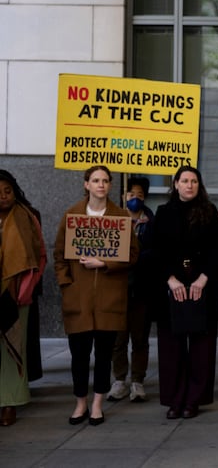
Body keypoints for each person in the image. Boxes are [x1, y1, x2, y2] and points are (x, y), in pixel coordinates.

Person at [53, 165, 139, 426]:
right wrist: (66, 284)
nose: (101, 185)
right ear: (86, 184)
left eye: (105, 181)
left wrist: (105, 263)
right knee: (79, 356)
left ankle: (98, 404)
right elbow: (59, 256)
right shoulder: (72, 215)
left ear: (110, 185)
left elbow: (133, 255)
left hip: (109, 299)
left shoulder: (121, 217)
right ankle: (80, 403)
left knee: (104, 355)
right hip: (78, 298)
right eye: (96, 180)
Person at [153, 165, 218, 419]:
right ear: (176, 184)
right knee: (172, 349)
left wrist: (202, 279)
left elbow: (217, 249)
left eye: (194, 181)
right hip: (171, 290)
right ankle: (174, 400)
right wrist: (170, 279)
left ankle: (194, 400)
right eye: (184, 181)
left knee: (201, 350)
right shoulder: (163, 213)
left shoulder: (209, 212)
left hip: (202, 288)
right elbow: (154, 251)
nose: (189, 185)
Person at [0, 170, 46, 427]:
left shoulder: (27, 216)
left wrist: (27, 287)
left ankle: (10, 402)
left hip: (16, 291)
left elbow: (40, 254)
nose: (4, 197)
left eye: (8, 191)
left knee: (13, 347)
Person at [107, 176, 155, 403]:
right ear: (123, 196)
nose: (135, 199)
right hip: (117, 288)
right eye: (131, 195)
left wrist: (134, 257)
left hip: (142, 288)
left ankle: (137, 380)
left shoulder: (151, 222)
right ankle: (119, 380)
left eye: (139, 195)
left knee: (139, 337)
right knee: (118, 338)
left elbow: (155, 251)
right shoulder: (114, 219)